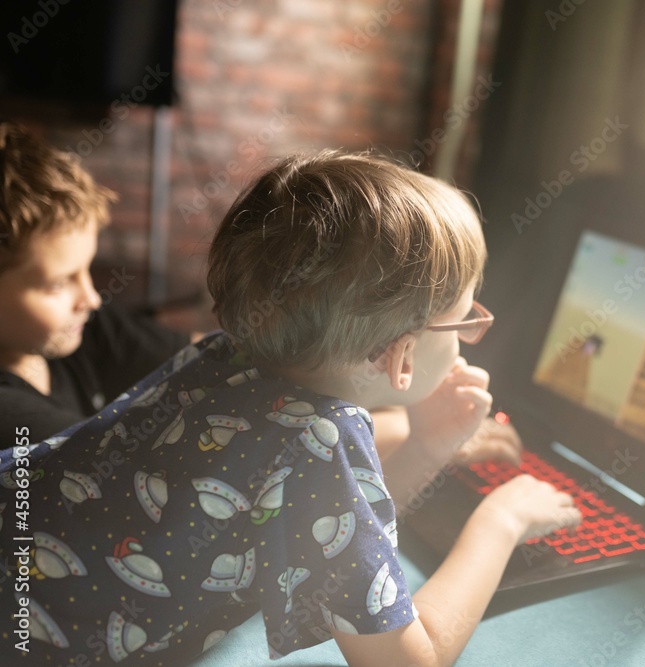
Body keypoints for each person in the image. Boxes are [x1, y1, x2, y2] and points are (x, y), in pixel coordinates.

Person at [0, 150, 581, 666]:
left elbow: (329, 536)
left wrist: (428, 443)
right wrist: (499, 523)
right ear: (401, 356)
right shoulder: (323, 438)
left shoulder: (224, 354)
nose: (469, 333)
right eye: (463, 319)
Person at [0, 121, 192, 441]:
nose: (91, 298)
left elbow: (211, 356)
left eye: (86, 269)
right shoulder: (10, 417)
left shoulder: (83, 330)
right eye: (58, 284)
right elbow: (121, 458)